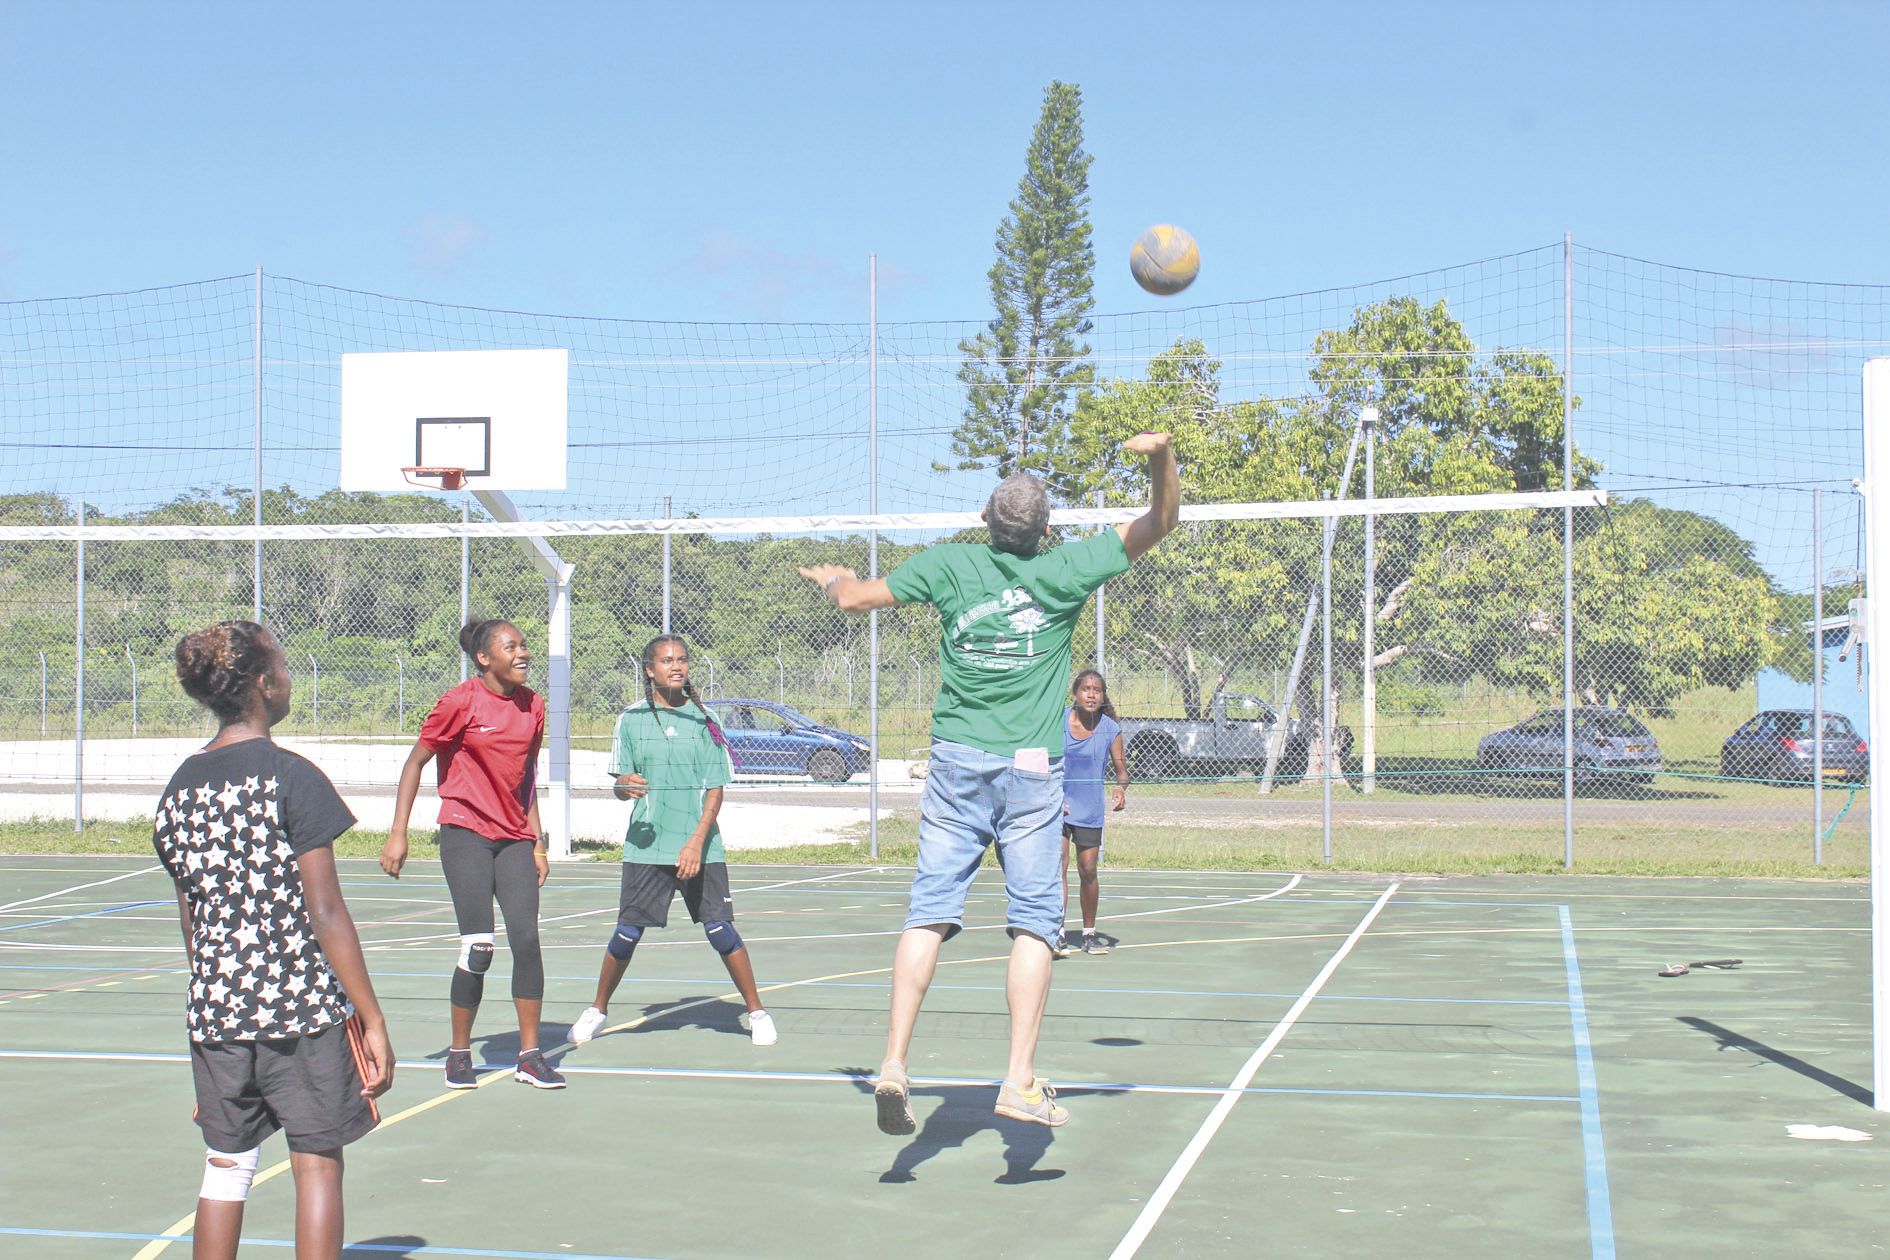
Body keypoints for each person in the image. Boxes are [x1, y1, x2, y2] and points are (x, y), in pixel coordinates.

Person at [799, 431, 1179, 1134]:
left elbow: (852, 599)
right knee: (1035, 923)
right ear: (1046, 530)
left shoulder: (948, 565)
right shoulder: (1067, 568)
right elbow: (1161, 520)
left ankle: (893, 1063)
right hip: (1031, 771)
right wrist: (1160, 456)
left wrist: (832, 579)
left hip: (956, 764)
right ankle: (1019, 1079)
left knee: (927, 913)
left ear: (984, 519)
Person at [153, 620, 393, 1260]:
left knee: (226, 1169)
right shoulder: (291, 776)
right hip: (300, 1009)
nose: (288, 677)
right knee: (317, 1163)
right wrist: (370, 1017)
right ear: (263, 684)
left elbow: (192, 919)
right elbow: (326, 911)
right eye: (283, 667)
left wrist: (215, 991)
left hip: (217, 1010)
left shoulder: (179, 788)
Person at [568, 634, 778, 1049]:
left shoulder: (705, 721)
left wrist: (696, 843)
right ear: (650, 670)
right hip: (647, 848)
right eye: (666, 661)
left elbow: (715, 790)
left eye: (682, 659)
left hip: (700, 847)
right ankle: (597, 1009)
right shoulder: (631, 720)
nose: (676, 666)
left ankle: (757, 1012)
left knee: (720, 931)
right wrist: (624, 786)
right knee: (626, 933)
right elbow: (621, 784)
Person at [379, 618, 562, 1089]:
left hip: (514, 836)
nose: (523, 653)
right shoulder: (459, 701)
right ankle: (459, 1054)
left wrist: (538, 841)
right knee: (478, 947)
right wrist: (398, 833)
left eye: (524, 645)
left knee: (527, 941)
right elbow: (415, 762)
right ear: (484, 658)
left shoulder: (533, 705)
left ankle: (530, 1056)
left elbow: (525, 777)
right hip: (465, 832)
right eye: (511, 647)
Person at [1057, 669, 1127, 958]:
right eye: (1086, 689)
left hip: (1089, 810)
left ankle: (1089, 933)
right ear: (1075, 693)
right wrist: (1051, 794)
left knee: (1088, 871)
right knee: (1057, 868)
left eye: (1097, 690)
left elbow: (1122, 772)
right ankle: (1057, 932)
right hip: (1058, 806)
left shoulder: (1110, 729)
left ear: (1103, 696)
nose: (1091, 695)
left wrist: (1120, 789)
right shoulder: (1057, 721)